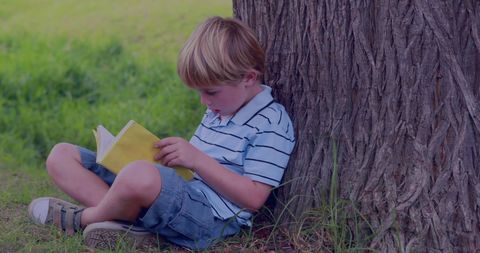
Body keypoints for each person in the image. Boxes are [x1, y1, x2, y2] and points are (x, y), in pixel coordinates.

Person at [28, 16, 296, 250]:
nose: (204, 102)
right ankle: (128, 225)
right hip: (181, 194)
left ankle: (84, 218)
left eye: (210, 92)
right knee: (61, 155)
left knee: (139, 175)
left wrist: (197, 160)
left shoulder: (270, 123)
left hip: (209, 218)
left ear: (248, 78)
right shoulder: (222, 106)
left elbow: (254, 198)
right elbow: (187, 172)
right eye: (199, 92)